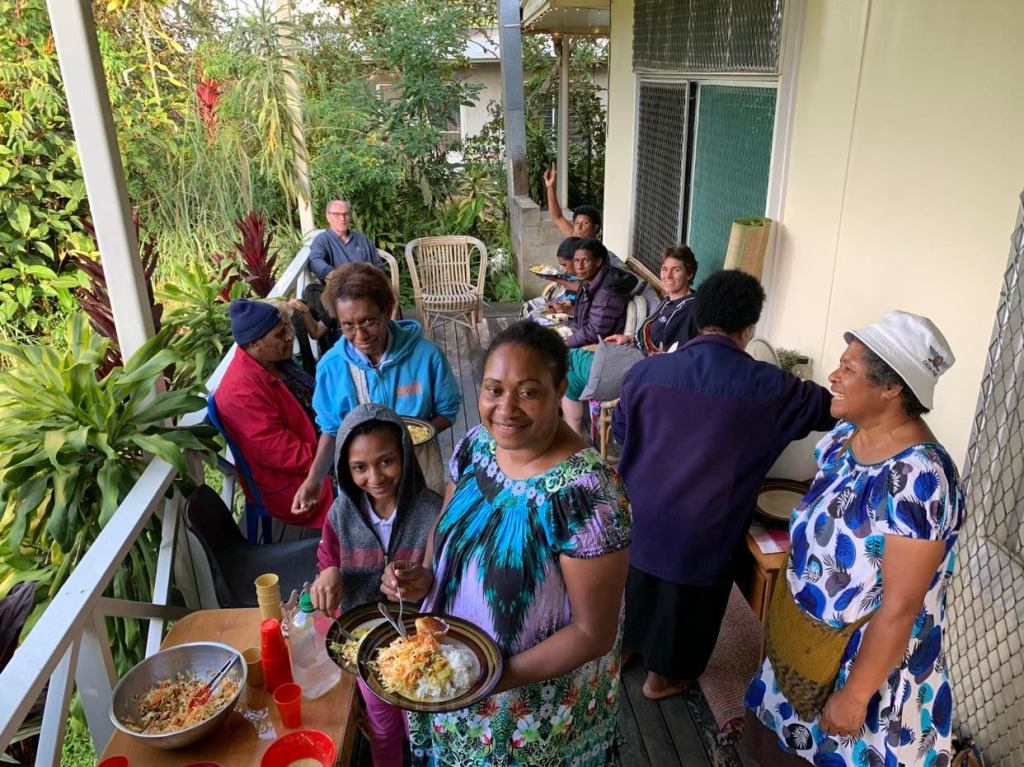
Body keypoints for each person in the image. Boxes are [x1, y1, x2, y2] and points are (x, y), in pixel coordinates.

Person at [380, 320, 631, 766]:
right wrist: (426, 576)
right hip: (451, 678)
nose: (506, 408)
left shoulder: (588, 495)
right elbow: (447, 524)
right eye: (493, 390)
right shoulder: (478, 445)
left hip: (527, 718)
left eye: (528, 391)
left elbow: (593, 633)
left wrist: (486, 680)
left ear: (560, 389)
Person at [743, 311, 965, 767]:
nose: (833, 376)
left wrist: (855, 696)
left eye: (849, 368)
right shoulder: (846, 437)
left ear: (892, 387)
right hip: (806, 648)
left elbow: (900, 607)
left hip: (861, 672)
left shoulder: (919, 478)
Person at [612, 270, 835, 700]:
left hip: (639, 518)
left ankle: (625, 650)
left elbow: (623, 432)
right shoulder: (772, 386)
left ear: (698, 318)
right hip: (704, 533)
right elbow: (829, 409)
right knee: (686, 608)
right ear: (748, 328)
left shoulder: (644, 373)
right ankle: (663, 678)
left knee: (637, 587)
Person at [311, 403, 441, 767]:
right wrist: (329, 572)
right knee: (382, 727)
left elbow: (444, 573)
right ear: (345, 469)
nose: (375, 477)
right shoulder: (340, 513)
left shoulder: (431, 512)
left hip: (418, 646)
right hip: (364, 647)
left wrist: (424, 581)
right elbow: (328, 555)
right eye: (360, 468)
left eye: (386, 461)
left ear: (405, 455)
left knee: (420, 728)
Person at [292, 262, 461, 508]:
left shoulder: (426, 356)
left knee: (425, 527)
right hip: (362, 478)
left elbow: (447, 411)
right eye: (348, 325)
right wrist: (313, 480)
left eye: (369, 321)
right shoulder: (332, 367)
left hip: (419, 468)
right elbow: (331, 430)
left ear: (387, 310)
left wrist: (412, 436)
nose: (360, 335)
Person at [562, 244, 702, 435]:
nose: (667, 275)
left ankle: (574, 437)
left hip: (640, 374)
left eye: (676, 270)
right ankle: (576, 438)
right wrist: (627, 337)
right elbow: (653, 336)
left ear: (690, 273)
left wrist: (639, 354)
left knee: (567, 361)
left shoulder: (689, 309)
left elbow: (674, 357)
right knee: (568, 372)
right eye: (664, 269)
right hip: (631, 357)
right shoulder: (670, 300)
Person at [215, 298, 331, 528]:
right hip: (296, 481)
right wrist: (336, 455)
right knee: (376, 481)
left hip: (321, 444)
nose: (290, 336)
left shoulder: (272, 360)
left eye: (287, 328)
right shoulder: (239, 393)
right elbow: (284, 454)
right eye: (280, 334)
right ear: (255, 344)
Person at [564, 238, 639, 350]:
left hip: (597, 349)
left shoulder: (607, 294)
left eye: (585, 260)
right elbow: (583, 315)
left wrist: (565, 343)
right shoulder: (590, 281)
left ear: (598, 262)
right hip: (584, 338)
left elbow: (593, 333)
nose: (579, 266)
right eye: (576, 260)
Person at [307, 199, 386, 280]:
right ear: (328, 217)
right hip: (340, 285)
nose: (342, 218)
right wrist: (336, 276)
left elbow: (379, 266)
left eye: (346, 214)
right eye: (337, 214)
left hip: (368, 284)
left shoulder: (362, 239)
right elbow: (314, 260)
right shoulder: (322, 239)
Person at [521, 236, 581, 320]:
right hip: (564, 300)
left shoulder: (588, 278)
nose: (563, 269)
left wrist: (556, 279)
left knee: (535, 316)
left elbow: (581, 288)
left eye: (564, 265)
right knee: (527, 307)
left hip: (573, 310)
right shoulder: (569, 273)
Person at [543, 166, 604, 240]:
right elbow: (557, 217)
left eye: (585, 223)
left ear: (595, 227)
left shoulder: (598, 247)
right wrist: (550, 187)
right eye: (577, 223)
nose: (579, 227)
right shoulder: (576, 236)